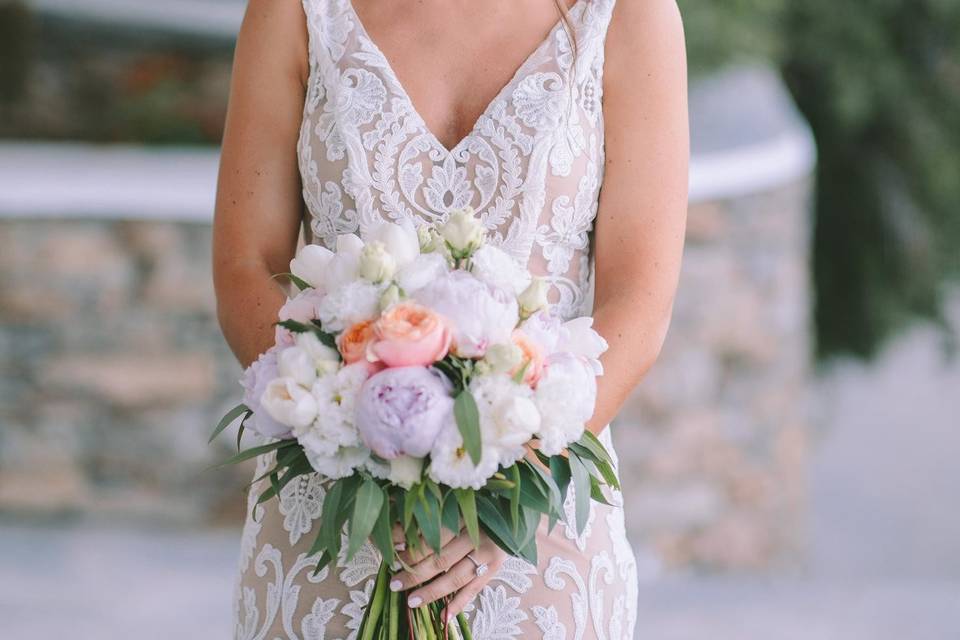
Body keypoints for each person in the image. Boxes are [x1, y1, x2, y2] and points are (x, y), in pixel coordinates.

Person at [213, 0, 688, 637]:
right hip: (333, 512)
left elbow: (641, 301)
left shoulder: (630, 14)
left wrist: (503, 499)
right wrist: (344, 424)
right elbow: (247, 264)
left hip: (534, 530)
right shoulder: (295, 11)